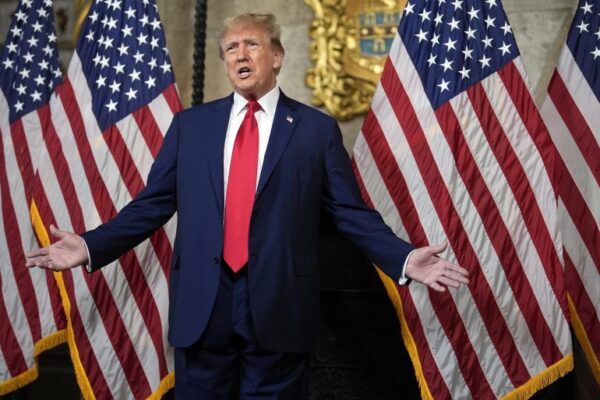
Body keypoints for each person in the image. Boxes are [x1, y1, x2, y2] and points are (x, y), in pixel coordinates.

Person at [27, 13, 469, 399]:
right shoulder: (191, 126)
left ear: (276, 56)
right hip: (204, 303)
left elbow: (349, 211)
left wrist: (404, 258)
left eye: (251, 44)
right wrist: (90, 246)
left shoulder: (315, 130)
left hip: (280, 302)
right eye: (231, 48)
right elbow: (152, 205)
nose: (240, 54)